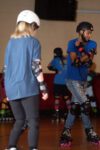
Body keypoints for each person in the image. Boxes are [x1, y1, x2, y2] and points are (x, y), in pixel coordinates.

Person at [3, 10, 48, 150]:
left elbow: (5, 69)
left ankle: (11, 147)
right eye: (36, 27)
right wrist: (43, 87)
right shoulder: (33, 42)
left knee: (19, 120)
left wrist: (7, 91)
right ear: (32, 25)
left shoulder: (10, 42)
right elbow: (36, 66)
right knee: (32, 121)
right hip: (27, 86)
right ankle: (33, 148)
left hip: (11, 87)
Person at [59, 21, 100, 147]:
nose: (90, 35)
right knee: (86, 104)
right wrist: (85, 55)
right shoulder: (71, 43)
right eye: (88, 33)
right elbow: (75, 63)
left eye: (90, 33)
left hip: (83, 80)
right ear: (81, 32)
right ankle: (90, 132)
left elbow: (88, 63)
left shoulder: (93, 43)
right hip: (72, 80)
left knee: (75, 105)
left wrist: (81, 50)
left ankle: (66, 132)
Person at [47, 47, 71, 122]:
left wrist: (56, 70)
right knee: (67, 97)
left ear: (55, 53)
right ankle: (70, 113)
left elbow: (48, 66)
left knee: (57, 98)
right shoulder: (67, 59)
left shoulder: (55, 60)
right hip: (66, 81)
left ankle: (57, 113)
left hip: (57, 81)